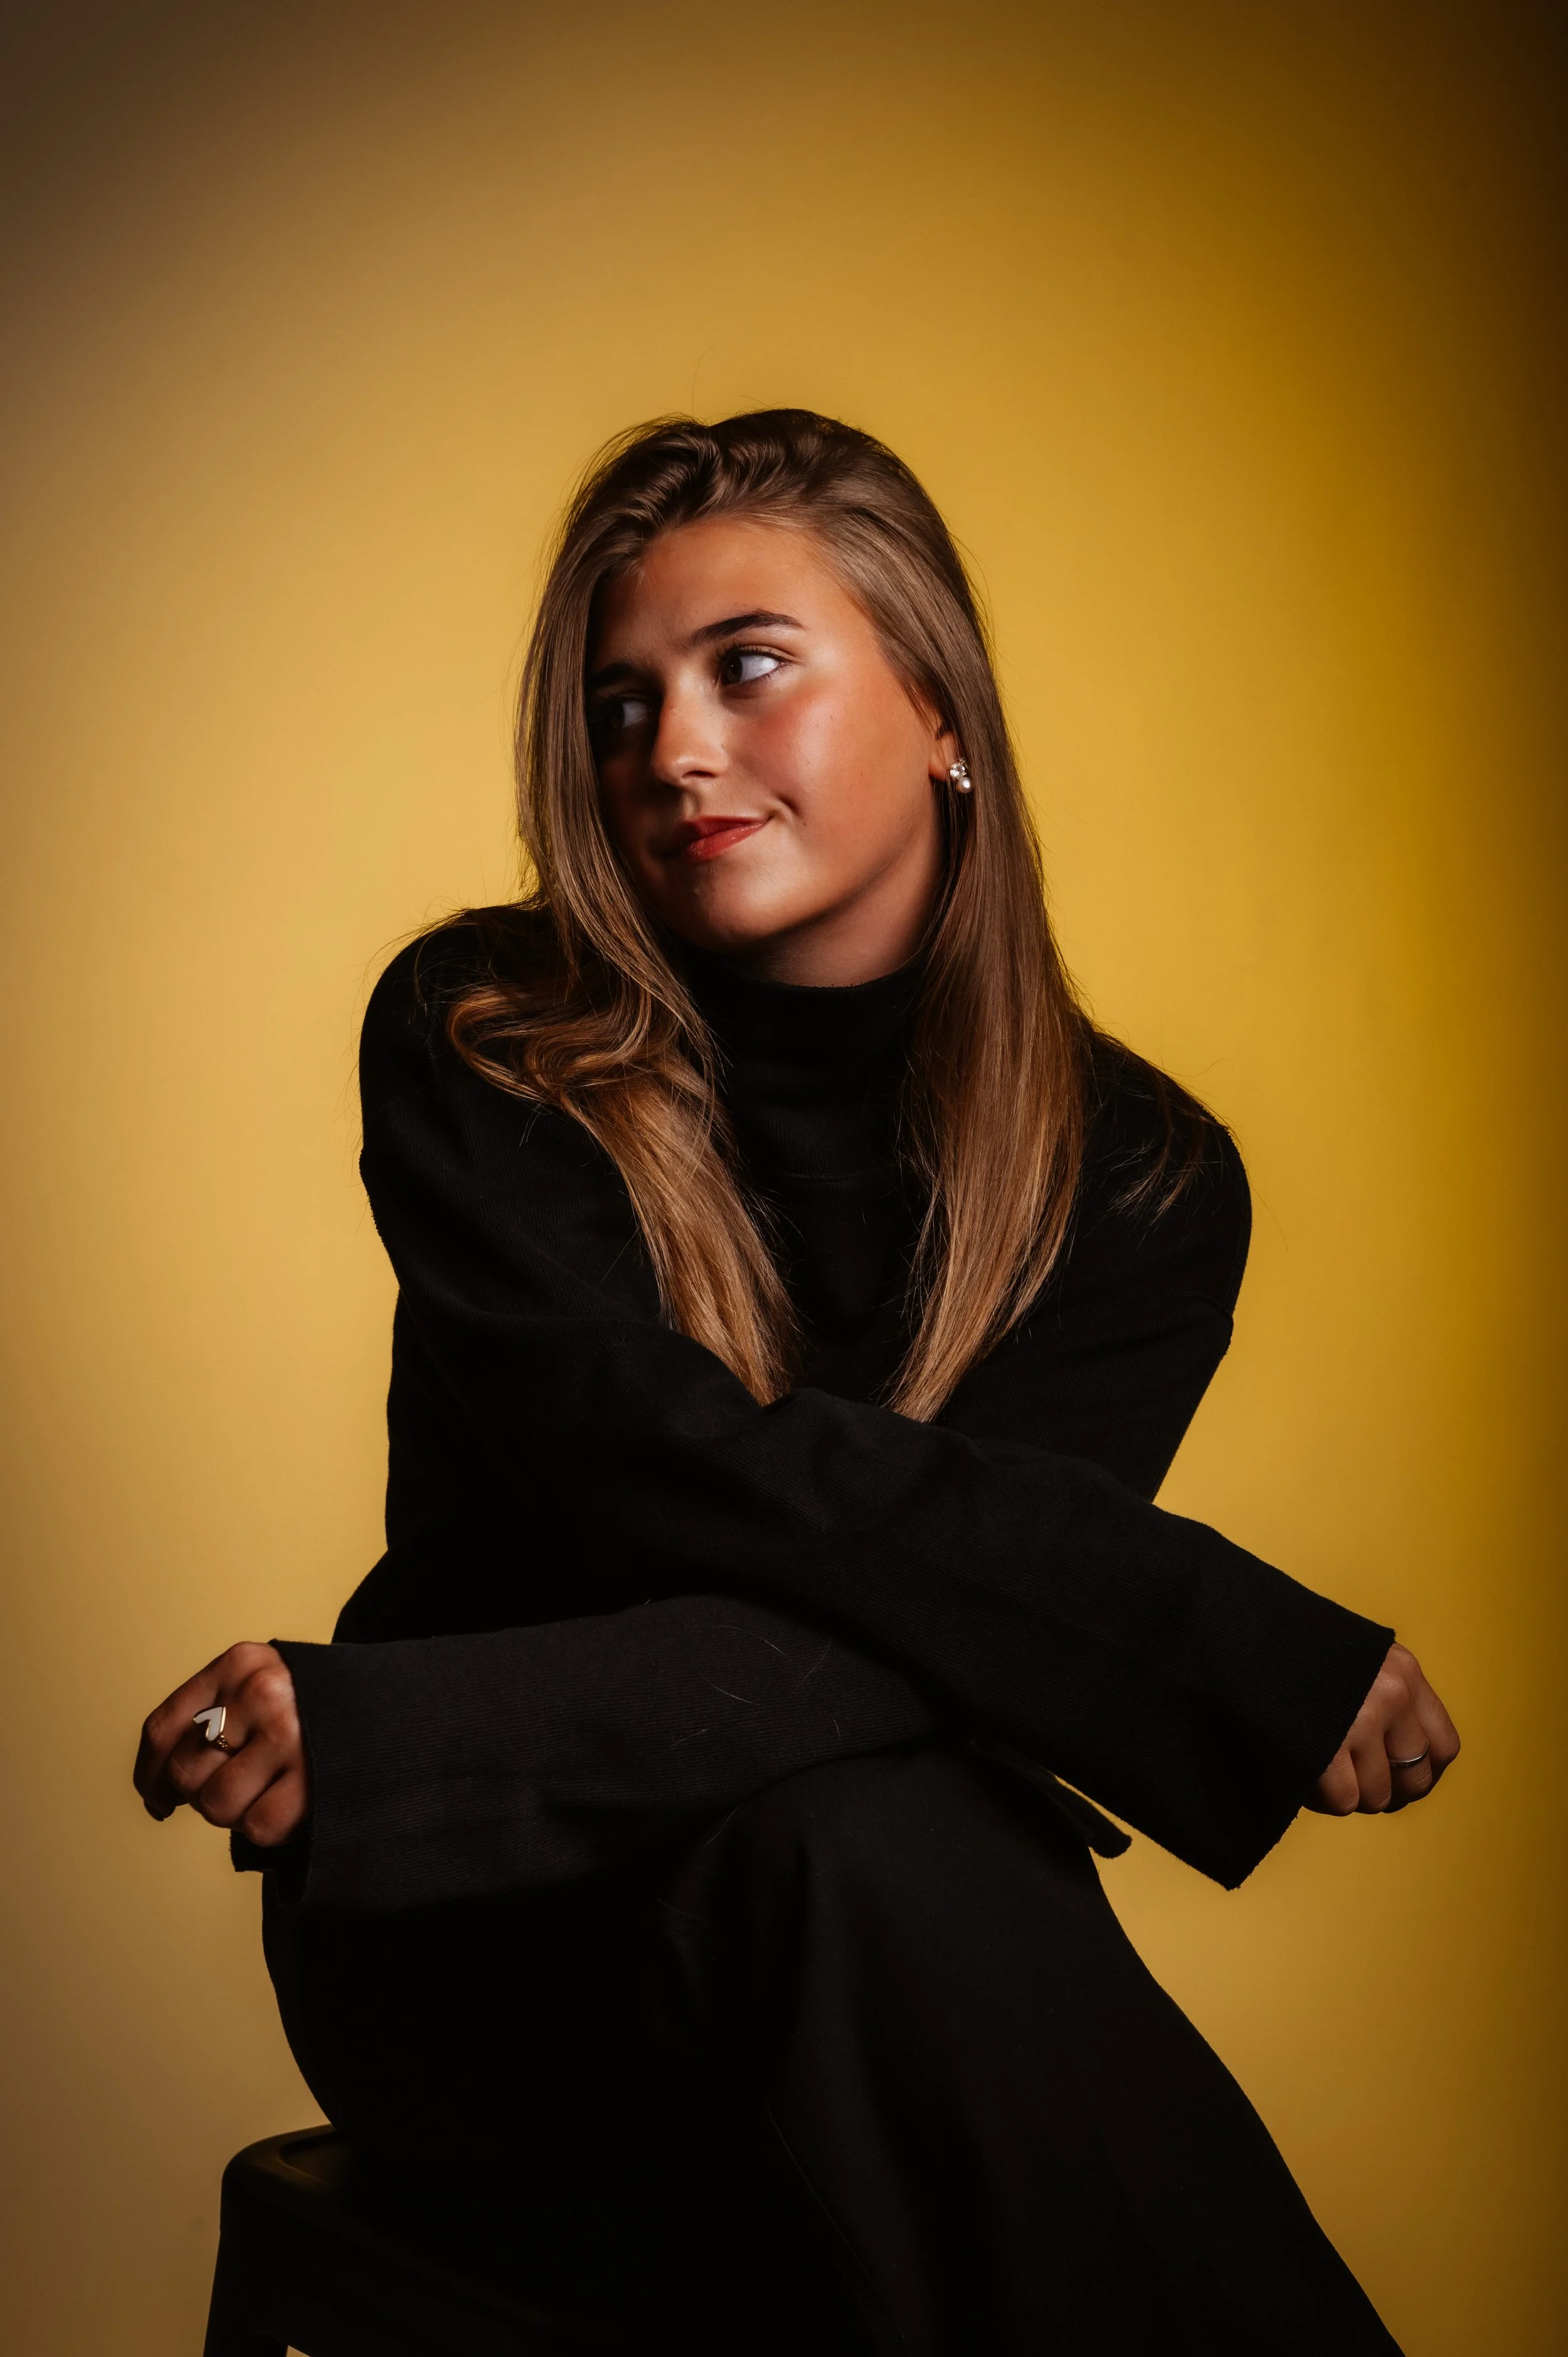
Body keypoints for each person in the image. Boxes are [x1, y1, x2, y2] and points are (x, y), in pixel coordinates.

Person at [134, 410, 1459, 2354]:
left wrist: (413, 1730)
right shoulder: (488, 1035)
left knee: (857, 1834)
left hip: (774, 1899)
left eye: (746, 667)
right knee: (878, 1848)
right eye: (620, 703)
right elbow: (660, 1478)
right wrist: (1192, 1634)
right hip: (493, 1941)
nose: (672, 749)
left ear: (939, 709)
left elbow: (906, 1647)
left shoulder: (1141, 1178)